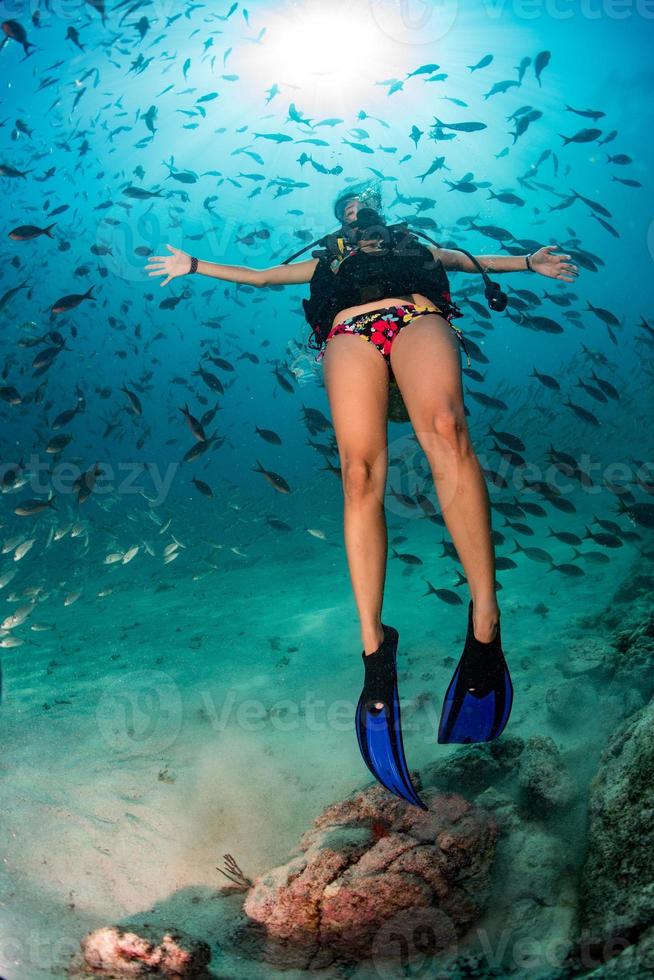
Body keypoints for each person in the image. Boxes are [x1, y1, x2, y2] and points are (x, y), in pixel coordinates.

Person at [145, 181, 579, 809]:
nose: (358, 210)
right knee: (358, 473)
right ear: (340, 221)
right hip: (349, 334)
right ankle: (375, 650)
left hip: (418, 320)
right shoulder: (327, 256)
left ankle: (485, 620)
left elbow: (470, 261)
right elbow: (266, 277)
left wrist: (529, 264)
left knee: (447, 433)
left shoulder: (416, 244)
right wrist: (195, 265)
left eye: (363, 203)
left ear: (382, 211)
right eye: (346, 207)